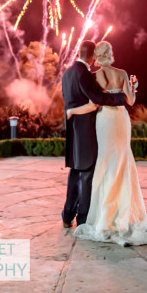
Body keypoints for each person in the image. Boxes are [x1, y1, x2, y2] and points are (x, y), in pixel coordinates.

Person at [68, 40, 147, 247]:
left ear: (97, 56)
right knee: (123, 158)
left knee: (105, 159)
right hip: (121, 119)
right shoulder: (122, 73)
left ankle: (105, 214)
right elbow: (130, 101)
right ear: (111, 54)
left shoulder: (94, 77)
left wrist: (71, 112)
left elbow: (93, 103)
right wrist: (134, 87)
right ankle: (125, 211)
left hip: (104, 119)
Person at [61, 40, 126, 227]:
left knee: (75, 173)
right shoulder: (85, 74)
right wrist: (121, 97)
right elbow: (99, 98)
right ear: (91, 57)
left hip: (72, 131)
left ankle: (67, 216)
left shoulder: (67, 73)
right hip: (85, 132)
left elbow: (69, 103)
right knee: (86, 175)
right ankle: (82, 220)